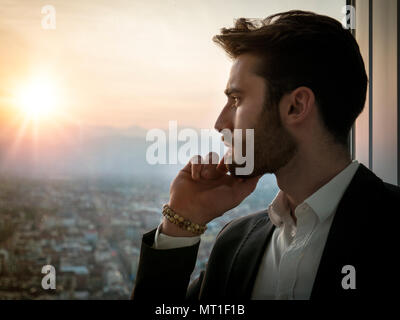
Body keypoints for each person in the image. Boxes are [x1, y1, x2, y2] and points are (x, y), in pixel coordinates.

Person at [132, 10, 400, 300]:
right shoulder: (234, 244)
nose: (220, 123)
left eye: (236, 99)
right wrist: (181, 221)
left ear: (295, 106)